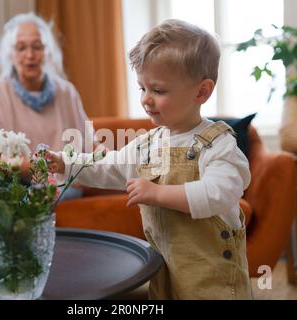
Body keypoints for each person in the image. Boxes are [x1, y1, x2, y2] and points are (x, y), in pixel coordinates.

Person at [47, 19, 252, 300]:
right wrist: (64, 162)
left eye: (159, 90)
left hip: (212, 281)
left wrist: (158, 193)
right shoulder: (147, 144)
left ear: (202, 91)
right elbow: (108, 166)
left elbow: (219, 193)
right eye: (142, 88)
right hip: (165, 273)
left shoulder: (218, 144)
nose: (146, 99)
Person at [0, 13, 92, 200]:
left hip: (61, 183)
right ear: (10, 54)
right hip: (14, 183)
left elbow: (90, 143)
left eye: (37, 46)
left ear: (48, 52)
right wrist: (34, 168)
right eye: (21, 47)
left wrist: (112, 159)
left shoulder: (67, 91)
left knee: (38, 202)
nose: (30, 55)